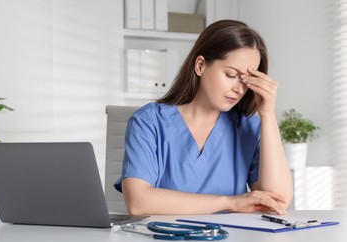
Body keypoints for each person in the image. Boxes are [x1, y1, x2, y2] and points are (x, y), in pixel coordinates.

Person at [114, 19, 293, 215]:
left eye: (246, 81)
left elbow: (277, 202)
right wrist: (229, 202)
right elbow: (139, 202)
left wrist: (268, 115)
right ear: (200, 65)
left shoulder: (249, 127)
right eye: (231, 75)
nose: (238, 89)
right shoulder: (148, 121)